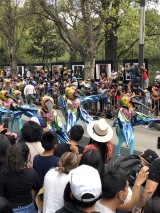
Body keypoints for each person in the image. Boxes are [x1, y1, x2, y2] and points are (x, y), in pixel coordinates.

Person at [0, 143, 40, 212]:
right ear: (27, 156)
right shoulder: (31, 173)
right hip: (28, 207)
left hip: (10, 208)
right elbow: (37, 188)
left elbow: (1, 194)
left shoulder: (3, 173)